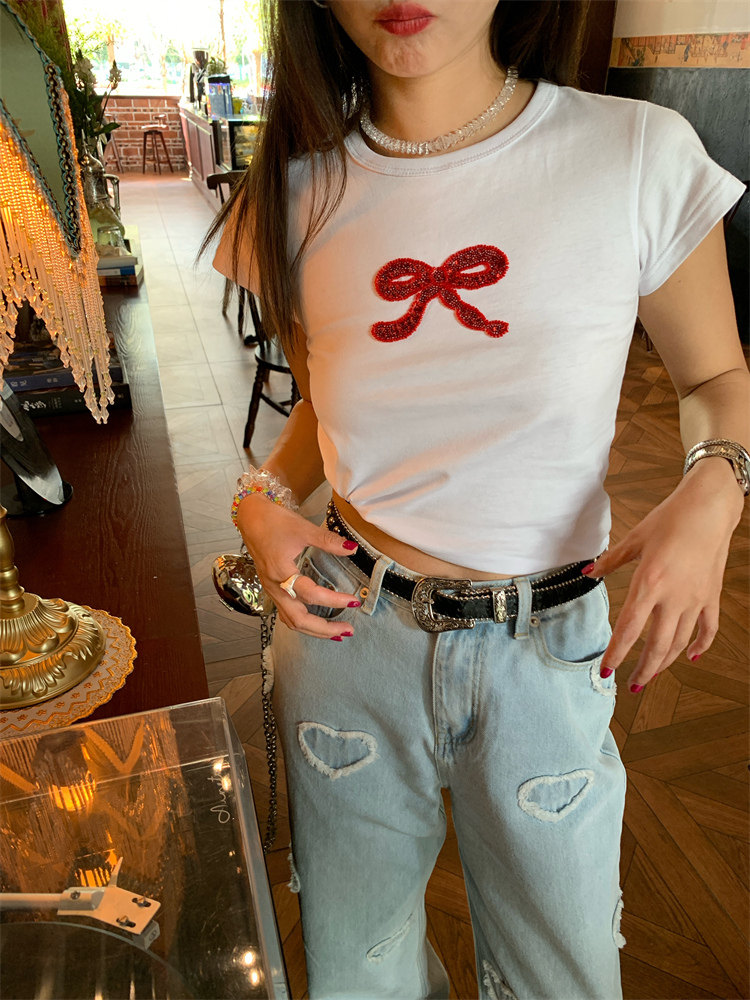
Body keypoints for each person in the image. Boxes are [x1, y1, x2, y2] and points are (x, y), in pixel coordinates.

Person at [208, 2, 749, 996]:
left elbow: (716, 377)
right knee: (357, 970)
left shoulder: (635, 152)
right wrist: (260, 501)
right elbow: (328, 403)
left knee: (563, 975)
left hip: (549, 649)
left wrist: (714, 489)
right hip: (347, 637)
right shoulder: (290, 192)